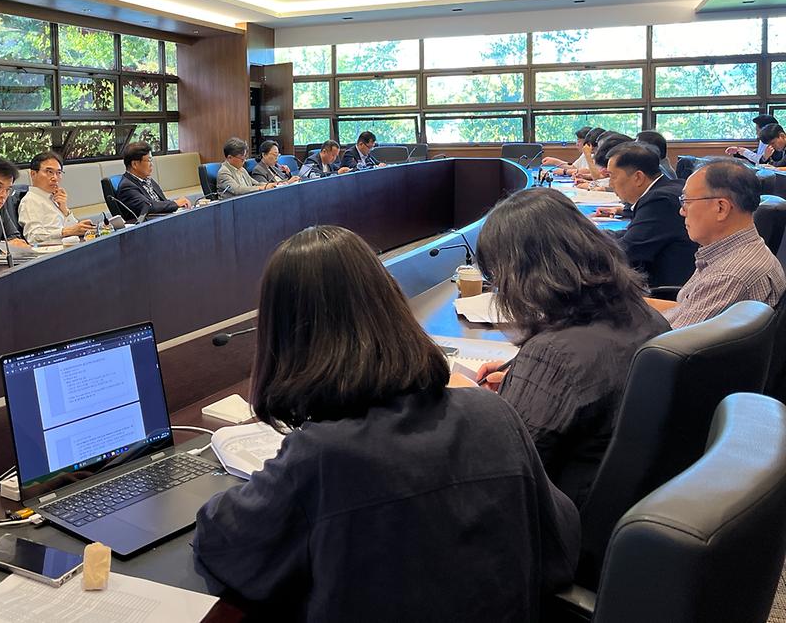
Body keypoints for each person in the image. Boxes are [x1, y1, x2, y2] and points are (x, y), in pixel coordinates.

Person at [193, 226, 579, 621]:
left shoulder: (321, 457)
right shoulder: (494, 414)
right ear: (392, 305)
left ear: (284, 337)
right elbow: (561, 548)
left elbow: (222, 545)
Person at [476, 189, 669, 508]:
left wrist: (470, 406)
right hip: (626, 501)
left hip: (559, 517)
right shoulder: (643, 314)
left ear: (524, 273)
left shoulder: (553, 355)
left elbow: (500, 468)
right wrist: (521, 379)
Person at [658, 160, 785, 329]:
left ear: (721, 208)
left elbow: (669, 342)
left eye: (686, 201)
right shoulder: (726, 252)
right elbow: (684, 310)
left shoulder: (729, 276)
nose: (682, 211)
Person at [604, 143, 697, 288]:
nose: (610, 184)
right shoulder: (670, 187)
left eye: (612, 176)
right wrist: (593, 235)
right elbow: (635, 233)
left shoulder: (660, 200)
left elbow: (627, 251)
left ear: (638, 177)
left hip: (662, 291)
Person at [17, 152, 94, 245]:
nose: (55, 178)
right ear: (33, 174)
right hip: (53, 251)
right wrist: (65, 232)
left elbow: (74, 230)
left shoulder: (54, 198)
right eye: (49, 172)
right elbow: (33, 237)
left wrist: (64, 210)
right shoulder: (30, 200)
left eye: (58, 173)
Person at [115, 141, 189, 219]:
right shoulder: (127, 187)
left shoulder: (146, 179)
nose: (151, 164)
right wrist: (175, 203)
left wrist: (178, 205)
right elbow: (148, 207)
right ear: (135, 164)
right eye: (149, 160)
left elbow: (162, 202)